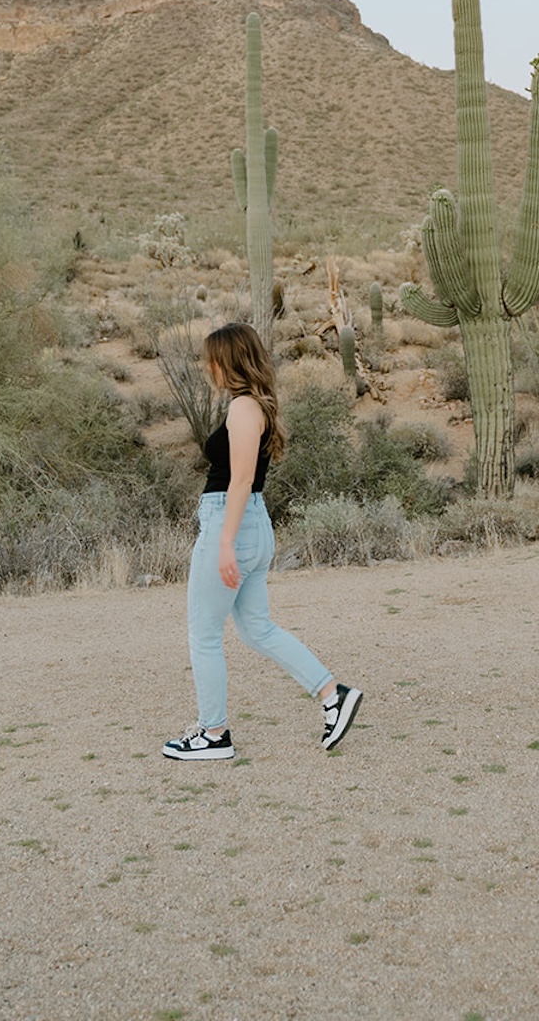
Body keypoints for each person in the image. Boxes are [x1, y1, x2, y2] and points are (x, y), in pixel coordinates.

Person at [163, 322, 363, 760]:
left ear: (227, 361)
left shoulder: (242, 409)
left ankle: (213, 735)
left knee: (204, 635)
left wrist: (224, 543)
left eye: (211, 358)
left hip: (230, 522)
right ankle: (334, 695)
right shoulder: (257, 406)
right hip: (254, 523)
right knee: (256, 629)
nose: (206, 366)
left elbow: (240, 481)